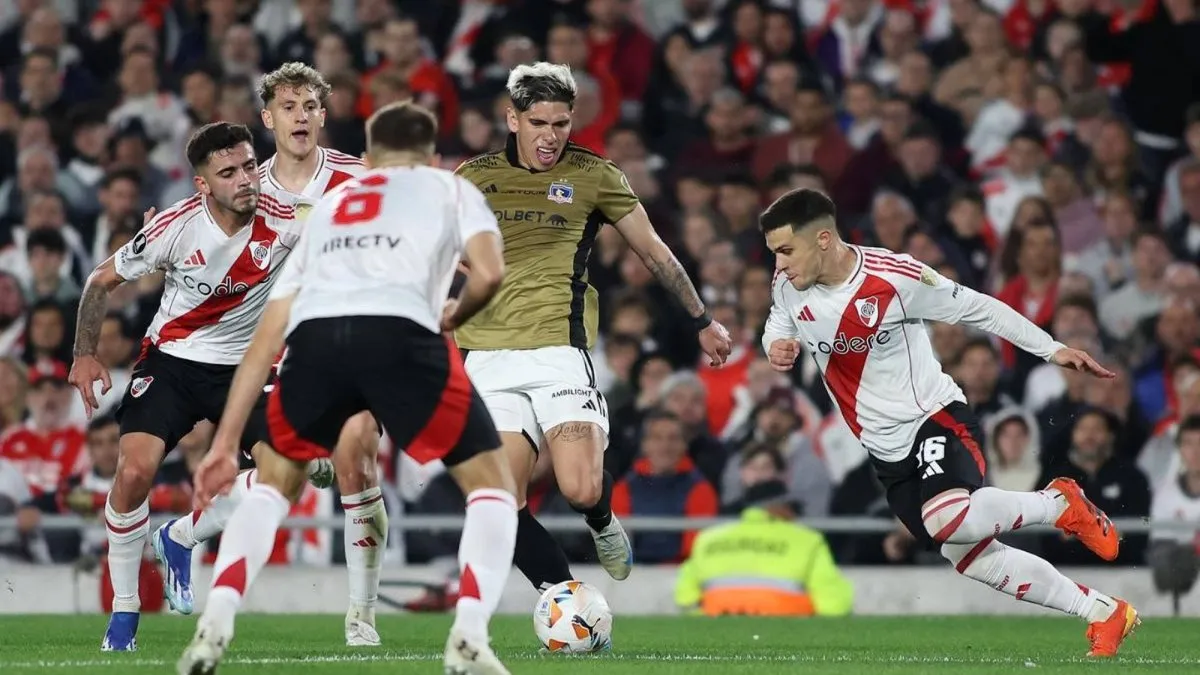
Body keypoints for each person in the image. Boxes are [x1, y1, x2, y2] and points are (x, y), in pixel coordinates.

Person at [180, 101, 516, 675]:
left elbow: (268, 333)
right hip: (402, 336)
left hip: (315, 343)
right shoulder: (450, 188)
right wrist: (456, 315)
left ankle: (217, 618)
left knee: (274, 488)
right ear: (432, 156)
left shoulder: (332, 207)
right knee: (492, 486)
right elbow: (489, 273)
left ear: (368, 158)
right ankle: (468, 635)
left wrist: (225, 443)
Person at [759, 188, 1139, 657]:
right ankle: (1103, 611)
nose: (779, 264)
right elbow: (778, 321)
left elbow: (979, 307)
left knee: (946, 519)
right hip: (884, 448)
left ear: (822, 239)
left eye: (785, 250)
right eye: (774, 253)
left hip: (932, 417)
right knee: (970, 557)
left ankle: (1057, 503)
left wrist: (1051, 348)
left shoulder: (895, 278)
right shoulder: (787, 281)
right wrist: (775, 345)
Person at [454, 62, 733, 592]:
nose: (551, 136)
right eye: (539, 123)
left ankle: (601, 519)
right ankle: (565, 599)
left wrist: (702, 319)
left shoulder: (595, 174)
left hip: (559, 350)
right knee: (499, 502)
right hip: (488, 356)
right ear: (513, 120)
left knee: (580, 488)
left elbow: (653, 250)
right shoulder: (472, 177)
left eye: (561, 124)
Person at [156, 63, 389, 648]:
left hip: (350, 346)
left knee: (358, 455)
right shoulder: (245, 188)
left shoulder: (358, 178)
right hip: (273, 352)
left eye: (309, 106)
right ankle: (183, 535)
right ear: (268, 118)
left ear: (323, 115)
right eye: (288, 107)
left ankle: (361, 618)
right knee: (282, 479)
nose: (300, 116)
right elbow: (199, 241)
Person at [68, 122, 306, 652]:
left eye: (250, 166)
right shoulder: (174, 226)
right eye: (229, 172)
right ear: (203, 184)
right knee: (134, 473)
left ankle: (181, 536)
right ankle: (125, 611)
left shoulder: (290, 219)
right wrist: (84, 354)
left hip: (246, 368)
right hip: (172, 363)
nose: (245, 180)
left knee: (285, 476)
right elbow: (99, 281)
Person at [674, 478, 853, 617]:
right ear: (776, 507)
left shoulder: (708, 538)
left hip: (718, 627)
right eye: (791, 507)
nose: (794, 514)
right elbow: (834, 605)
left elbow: (685, 596)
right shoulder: (807, 540)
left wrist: (705, 619)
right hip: (788, 630)